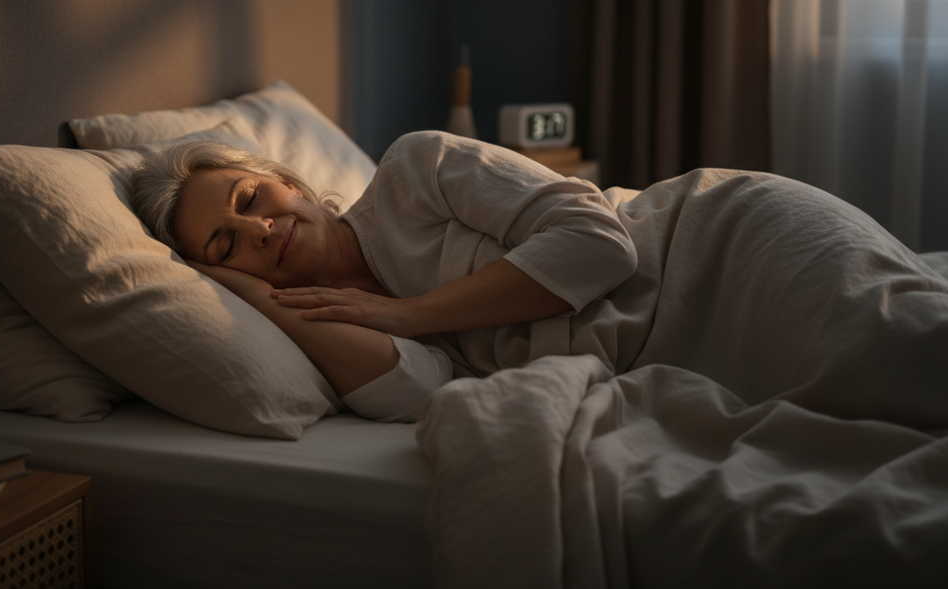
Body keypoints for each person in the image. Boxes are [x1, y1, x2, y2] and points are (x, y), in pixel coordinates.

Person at [132, 131, 948, 428]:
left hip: (722, 248)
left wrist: (414, 309)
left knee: (912, 346)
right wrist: (252, 297)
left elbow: (600, 245)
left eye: (250, 198)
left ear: (292, 183)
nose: (260, 229)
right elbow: (412, 395)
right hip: (689, 353)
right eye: (226, 244)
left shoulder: (415, 171)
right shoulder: (341, 319)